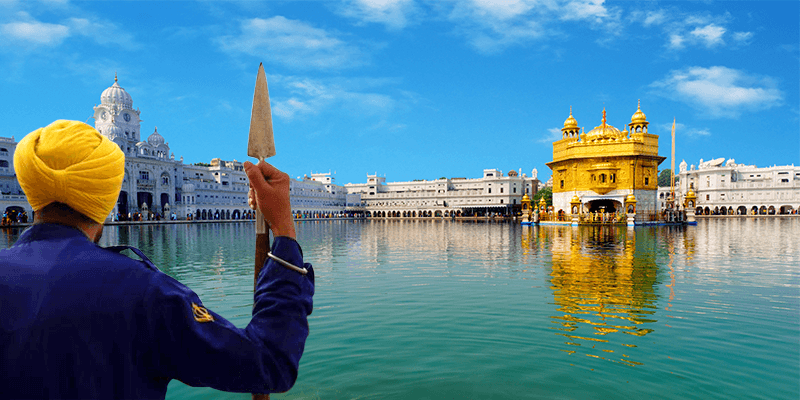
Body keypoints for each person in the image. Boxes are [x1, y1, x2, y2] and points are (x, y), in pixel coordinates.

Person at [0, 120, 314, 399]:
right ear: (107, 194)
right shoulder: (143, 293)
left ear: (30, 188)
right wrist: (284, 231)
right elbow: (269, 362)